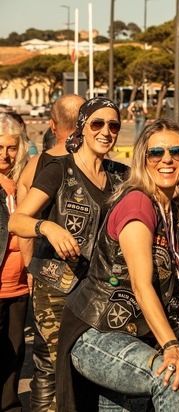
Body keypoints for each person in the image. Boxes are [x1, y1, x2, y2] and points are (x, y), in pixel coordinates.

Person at [55, 118, 179, 411]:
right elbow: (141, 284)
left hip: (132, 335)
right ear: (142, 160)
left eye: (177, 152)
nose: (167, 160)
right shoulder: (138, 205)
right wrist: (171, 347)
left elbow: (167, 266)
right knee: (172, 377)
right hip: (99, 333)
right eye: (156, 153)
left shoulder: (166, 206)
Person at [8, 97, 128, 412]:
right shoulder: (58, 169)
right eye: (97, 123)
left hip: (99, 289)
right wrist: (47, 227)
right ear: (82, 127)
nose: (106, 131)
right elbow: (17, 221)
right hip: (56, 287)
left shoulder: (121, 176)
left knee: (90, 368)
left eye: (113, 125)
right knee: (53, 367)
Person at [0, 114, 30, 412]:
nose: (5, 155)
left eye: (11, 147)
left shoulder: (23, 183)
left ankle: (9, 405)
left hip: (20, 285)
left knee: (16, 351)